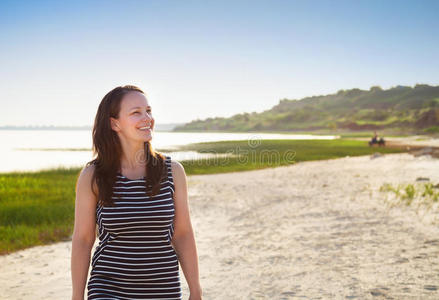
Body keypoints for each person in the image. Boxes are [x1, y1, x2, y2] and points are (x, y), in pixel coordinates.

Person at [71, 85, 202, 300]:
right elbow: (83, 240)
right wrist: (77, 296)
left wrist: (195, 289)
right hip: (107, 289)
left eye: (148, 111)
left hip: (162, 290)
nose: (147, 118)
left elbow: (183, 234)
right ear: (115, 123)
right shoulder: (93, 175)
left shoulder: (172, 171)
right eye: (136, 112)